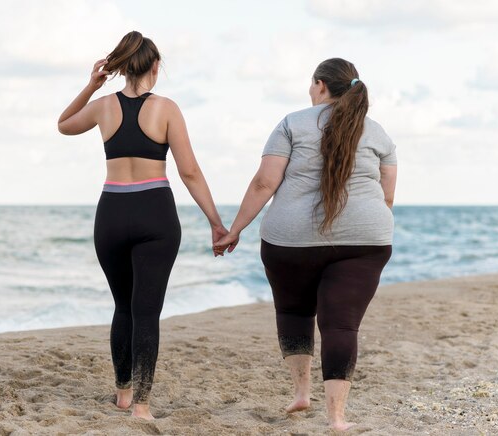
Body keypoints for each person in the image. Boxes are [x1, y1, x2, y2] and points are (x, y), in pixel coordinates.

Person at [214, 58, 397, 431]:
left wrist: (234, 229)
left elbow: (265, 183)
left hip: (290, 242)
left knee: (295, 312)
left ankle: (301, 393)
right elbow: (387, 197)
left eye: (311, 85)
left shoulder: (292, 123)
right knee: (341, 326)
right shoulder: (378, 133)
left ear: (320, 85)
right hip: (365, 241)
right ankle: (337, 418)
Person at [57, 31, 227, 420]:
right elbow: (190, 172)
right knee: (146, 312)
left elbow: (64, 124)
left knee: (123, 307)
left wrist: (91, 85)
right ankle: (143, 406)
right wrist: (216, 222)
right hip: (155, 214)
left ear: (122, 67)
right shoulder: (166, 108)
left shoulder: (102, 107)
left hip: (112, 213)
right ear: (155, 66)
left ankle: (122, 394)